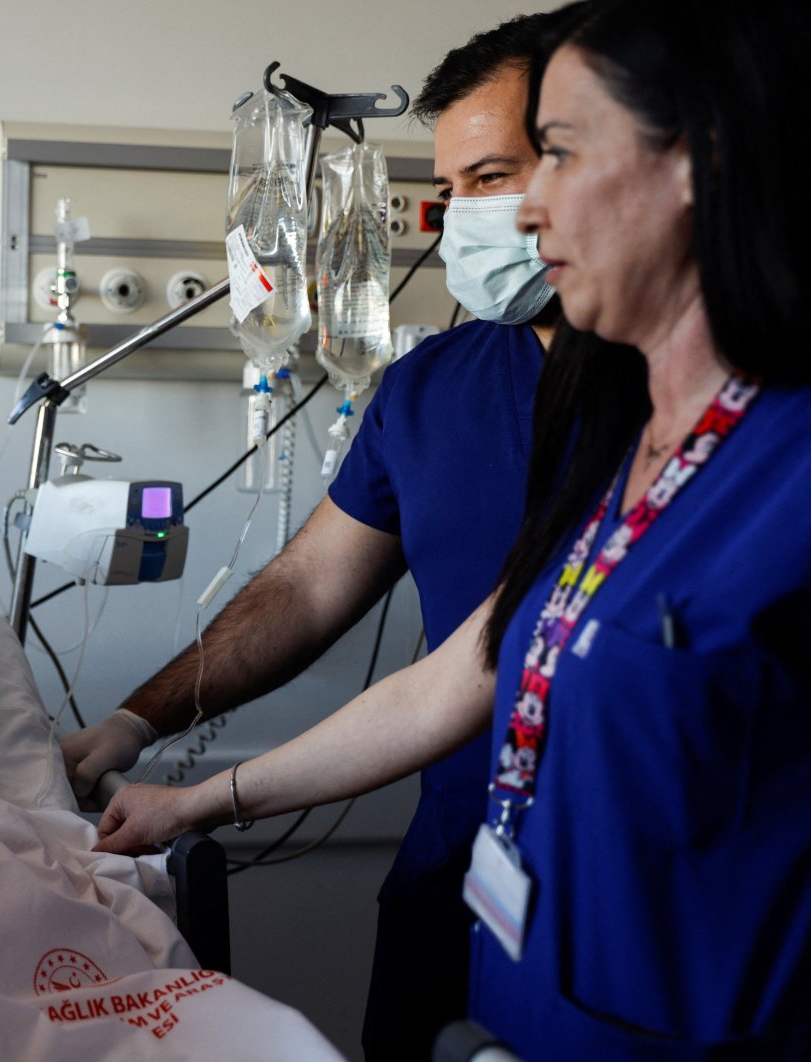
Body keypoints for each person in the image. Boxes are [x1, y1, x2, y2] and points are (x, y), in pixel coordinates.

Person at [96, 0, 811, 1055]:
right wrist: (182, 784)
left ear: (696, 160)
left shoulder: (768, 458)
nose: (514, 218)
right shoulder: (633, 441)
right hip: (504, 960)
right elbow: (460, 667)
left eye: (547, 158)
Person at [62, 13, 567, 1057]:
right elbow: (307, 593)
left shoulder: (703, 412)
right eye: (451, 185)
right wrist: (131, 721)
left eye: (491, 177)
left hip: (649, 888)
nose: (454, 215)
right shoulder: (435, 389)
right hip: (459, 876)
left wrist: (211, 796)